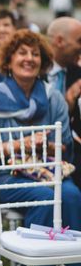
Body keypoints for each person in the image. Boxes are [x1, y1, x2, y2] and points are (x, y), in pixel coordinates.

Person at [0, 29, 81, 266]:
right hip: (3, 176)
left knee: (71, 195)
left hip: (46, 171)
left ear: (42, 61)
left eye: (35, 54)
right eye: (22, 53)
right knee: (45, 196)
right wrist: (20, 145)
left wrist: (43, 148)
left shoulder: (53, 98)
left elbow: (64, 146)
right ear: (9, 60)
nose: (29, 58)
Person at [46, 17, 81, 186]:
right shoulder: (32, 70)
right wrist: (67, 100)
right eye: (79, 41)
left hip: (72, 149)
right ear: (59, 41)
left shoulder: (78, 73)